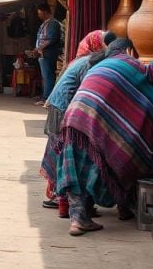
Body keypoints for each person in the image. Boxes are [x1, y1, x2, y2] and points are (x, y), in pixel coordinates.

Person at [54, 40, 153, 236]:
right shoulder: (128, 61)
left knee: (79, 166)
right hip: (93, 119)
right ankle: (118, 208)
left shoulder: (103, 64)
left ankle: (78, 219)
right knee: (113, 159)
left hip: (75, 118)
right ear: (130, 50)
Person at [39, 30, 116, 214]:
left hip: (58, 107)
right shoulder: (89, 63)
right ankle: (64, 200)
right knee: (65, 153)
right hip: (62, 108)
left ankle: (63, 200)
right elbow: (85, 91)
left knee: (61, 151)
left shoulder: (83, 60)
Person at [34, 3, 62, 106]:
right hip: (43, 53)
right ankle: (45, 95)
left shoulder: (53, 23)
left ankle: (47, 98)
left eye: (39, 13)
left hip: (48, 53)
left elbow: (51, 39)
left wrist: (39, 48)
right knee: (45, 76)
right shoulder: (45, 24)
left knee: (48, 76)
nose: (39, 15)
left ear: (45, 12)